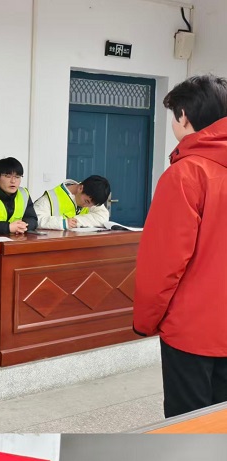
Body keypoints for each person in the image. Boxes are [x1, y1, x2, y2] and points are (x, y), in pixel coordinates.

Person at [133, 74, 227, 418]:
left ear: (184, 116)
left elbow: (163, 264)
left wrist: (145, 321)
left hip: (193, 330)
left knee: (189, 425)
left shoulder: (186, 174)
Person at [34, 175, 110, 229]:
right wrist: (62, 223)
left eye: (91, 205)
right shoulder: (50, 198)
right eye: (86, 201)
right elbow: (35, 220)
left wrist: (75, 221)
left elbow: (103, 217)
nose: (87, 206)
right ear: (80, 188)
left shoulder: (91, 197)